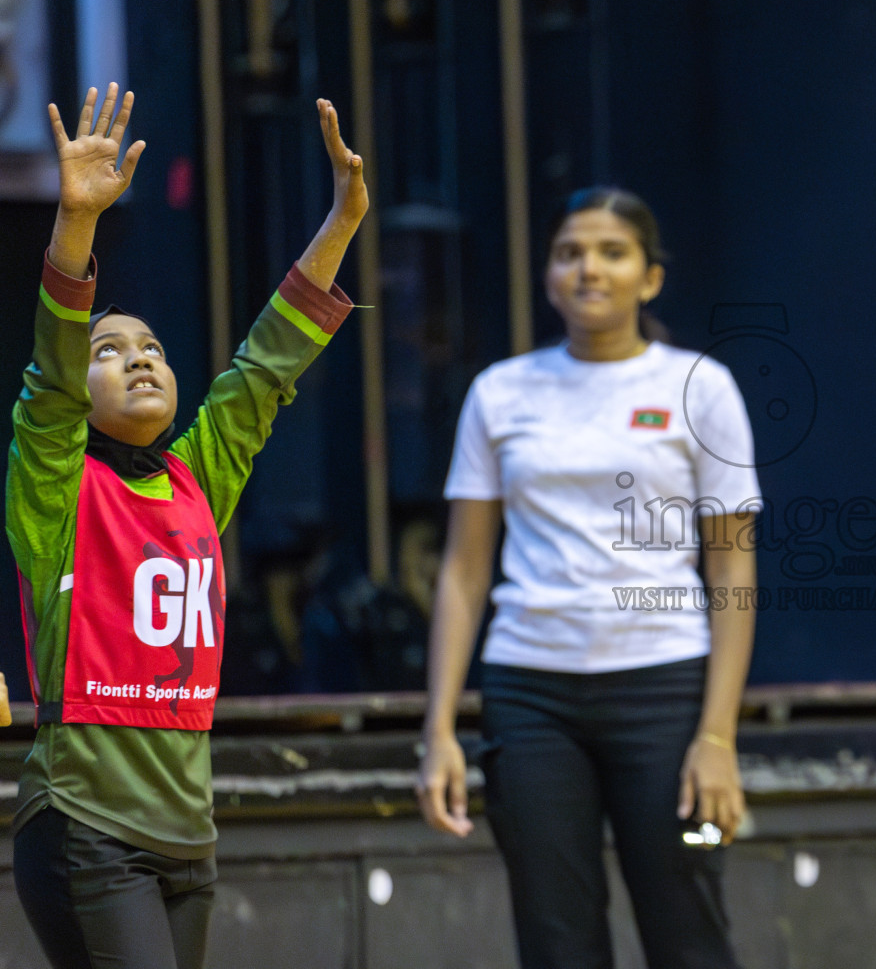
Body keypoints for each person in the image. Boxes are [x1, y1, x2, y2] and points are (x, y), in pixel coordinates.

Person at [7, 83, 367, 969]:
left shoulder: (196, 481)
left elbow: (264, 371)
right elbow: (49, 384)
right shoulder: (56, 485)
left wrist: (341, 224)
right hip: (87, 823)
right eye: (110, 351)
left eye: (154, 350)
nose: (138, 360)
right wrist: (78, 225)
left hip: (186, 833)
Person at [416, 187, 759, 969]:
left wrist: (717, 735)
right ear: (547, 273)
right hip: (530, 692)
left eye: (612, 252)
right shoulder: (500, 392)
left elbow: (732, 564)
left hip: (665, 689)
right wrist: (437, 730)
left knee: (690, 932)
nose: (588, 269)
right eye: (570, 252)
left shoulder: (701, 387)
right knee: (556, 940)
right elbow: (465, 569)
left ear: (651, 277)